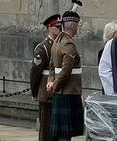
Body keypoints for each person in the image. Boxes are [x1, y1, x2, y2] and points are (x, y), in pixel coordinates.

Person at [45, 9, 84, 140]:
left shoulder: (57, 41)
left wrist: (50, 82)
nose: (77, 28)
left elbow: (51, 65)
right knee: (65, 136)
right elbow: (66, 71)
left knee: (62, 135)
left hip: (60, 91)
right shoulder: (69, 44)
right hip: (68, 91)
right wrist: (54, 86)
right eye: (77, 25)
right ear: (73, 26)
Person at [30, 14, 61, 141]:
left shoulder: (60, 45)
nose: (60, 29)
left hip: (58, 90)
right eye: (57, 27)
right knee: (46, 127)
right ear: (49, 28)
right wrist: (35, 91)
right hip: (45, 92)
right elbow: (35, 72)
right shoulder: (43, 48)